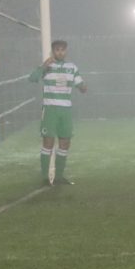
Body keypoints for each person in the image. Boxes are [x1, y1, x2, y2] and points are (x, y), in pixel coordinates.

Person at [29, 40, 87, 185]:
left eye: (62, 50)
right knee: (48, 142)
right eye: (57, 50)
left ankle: (59, 177)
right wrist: (43, 66)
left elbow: (81, 85)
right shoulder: (48, 66)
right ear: (53, 51)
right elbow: (32, 78)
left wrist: (83, 87)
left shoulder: (71, 67)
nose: (60, 52)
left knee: (65, 142)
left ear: (66, 51)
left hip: (65, 110)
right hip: (50, 110)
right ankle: (44, 178)